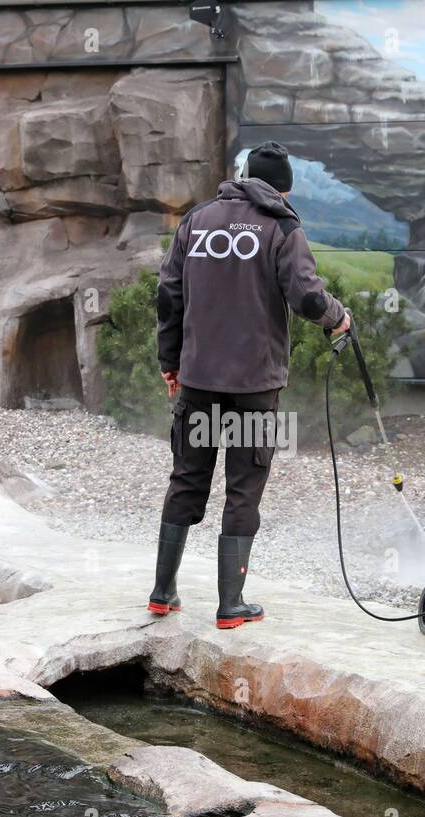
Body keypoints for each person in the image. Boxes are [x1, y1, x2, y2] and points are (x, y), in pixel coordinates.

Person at [147, 141, 352, 629]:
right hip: (254, 387)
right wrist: (338, 318)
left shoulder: (197, 221)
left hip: (197, 379)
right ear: (284, 186)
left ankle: (161, 592)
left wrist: (169, 360)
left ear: (241, 177)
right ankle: (230, 606)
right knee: (243, 489)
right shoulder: (282, 225)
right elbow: (305, 296)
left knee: (187, 479)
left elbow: (168, 295)